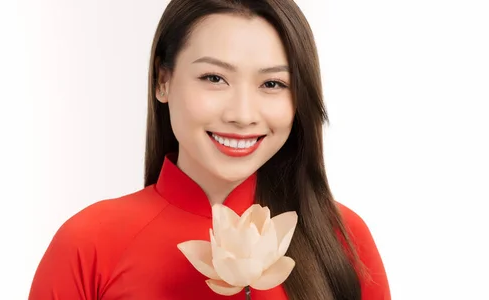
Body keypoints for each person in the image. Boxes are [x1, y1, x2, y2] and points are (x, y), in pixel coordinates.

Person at [28, 0, 391, 299]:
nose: (242, 115)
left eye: (272, 83)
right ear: (162, 80)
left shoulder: (341, 237)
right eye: (214, 78)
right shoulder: (87, 244)